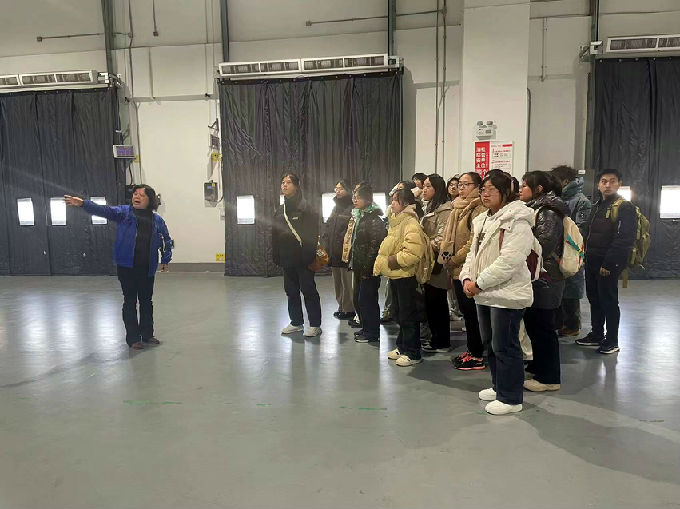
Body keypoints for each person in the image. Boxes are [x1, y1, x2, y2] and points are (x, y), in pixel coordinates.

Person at [459, 173, 535, 415]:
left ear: (506, 192)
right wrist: (466, 277)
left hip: (507, 294)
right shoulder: (482, 219)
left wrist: (479, 283)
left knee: (506, 346)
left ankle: (511, 398)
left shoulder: (518, 220)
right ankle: (498, 386)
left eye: (492, 189)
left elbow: (510, 261)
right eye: (483, 188)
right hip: (484, 292)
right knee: (491, 344)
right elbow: (473, 254)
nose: (485, 193)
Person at [64, 185, 172, 350]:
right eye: (135, 194)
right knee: (130, 301)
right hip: (127, 267)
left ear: (150, 200)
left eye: (141, 195)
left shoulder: (157, 220)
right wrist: (83, 204)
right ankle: (133, 338)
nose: (136, 197)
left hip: (147, 267)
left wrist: (165, 258)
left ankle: (147, 334)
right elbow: (104, 210)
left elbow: (165, 239)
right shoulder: (124, 213)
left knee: (146, 301)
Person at [519, 171, 570, 392]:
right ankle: (539, 367)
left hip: (546, 278)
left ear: (538, 189)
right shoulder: (537, 208)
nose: (520, 189)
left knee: (544, 328)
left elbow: (544, 245)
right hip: (538, 276)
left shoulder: (548, 211)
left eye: (524, 185)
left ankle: (549, 378)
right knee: (535, 325)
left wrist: (518, 248)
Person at [576, 169, 636, 354]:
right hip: (592, 261)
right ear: (598, 185)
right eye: (604, 181)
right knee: (594, 299)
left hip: (608, 264)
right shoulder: (597, 205)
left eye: (612, 181)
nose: (608, 185)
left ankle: (612, 341)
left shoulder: (624, 207)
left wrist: (609, 264)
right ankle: (597, 334)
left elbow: (624, 239)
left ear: (619, 184)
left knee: (608, 301)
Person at [374, 188, 429, 367]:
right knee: (399, 312)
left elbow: (413, 252)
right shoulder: (396, 221)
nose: (392, 204)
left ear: (405, 203)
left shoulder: (410, 223)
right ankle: (402, 346)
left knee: (408, 314)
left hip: (405, 274)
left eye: (395, 200)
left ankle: (413, 352)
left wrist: (392, 261)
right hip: (396, 275)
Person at [440, 171, 487, 370]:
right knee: (467, 313)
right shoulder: (458, 207)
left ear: (477, 187)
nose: (461, 188)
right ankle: (472, 350)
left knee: (472, 314)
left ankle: (477, 354)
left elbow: (472, 242)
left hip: (467, 269)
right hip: (456, 268)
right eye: (460, 184)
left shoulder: (478, 208)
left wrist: (455, 259)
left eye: (466, 184)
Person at [273, 173, 322, 338]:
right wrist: (276, 254)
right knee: (291, 291)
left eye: (288, 182)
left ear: (297, 186)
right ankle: (296, 322)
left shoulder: (306, 208)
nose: (284, 185)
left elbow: (312, 234)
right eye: (283, 182)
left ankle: (315, 325)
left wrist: (308, 256)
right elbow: (275, 233)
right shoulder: (280, 209)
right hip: (287, 259)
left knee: (308, 291)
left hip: (303, 259)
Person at [551, 165, 592, 336]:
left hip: (572, 249)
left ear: (565, 181)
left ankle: (573, 325)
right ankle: (561, 323)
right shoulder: (557, 198)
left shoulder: (581, 201)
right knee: (560, 288)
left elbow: (580, 230)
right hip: (556, 250)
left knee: (572, 289)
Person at [349, 184, 387, 343]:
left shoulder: (374, 220)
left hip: (369, 268)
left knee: (368, 300)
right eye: (354, 197)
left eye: (358, 197)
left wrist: (367, 267)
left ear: (367, 199)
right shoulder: (361, 217)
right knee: (360, 299)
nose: (355, 200)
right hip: (360, 266)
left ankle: (372, 332)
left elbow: (375, 245)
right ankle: (366, 328)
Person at [420, 174, 453, 353]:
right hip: (428, 259)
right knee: (430, 301)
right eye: (424, 186)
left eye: (428, 186)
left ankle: (442, 341)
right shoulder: (430, 207)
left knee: (438, 301)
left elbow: (442, 239)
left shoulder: (445, 210)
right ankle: (435, 337)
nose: (424, 190)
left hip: (438, 261)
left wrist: (422, 244)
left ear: (437, 188)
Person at [324, 179, 355, 320]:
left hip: (345, 252)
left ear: (348, 190)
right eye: (336, 188)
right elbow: (329, 226)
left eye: (341, 188)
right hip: (334, 251)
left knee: (347, 281)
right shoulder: (335, 208)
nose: (338, 191)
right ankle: (341, 305)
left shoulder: (352, 207)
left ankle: (349, 309)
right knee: (337, 281)